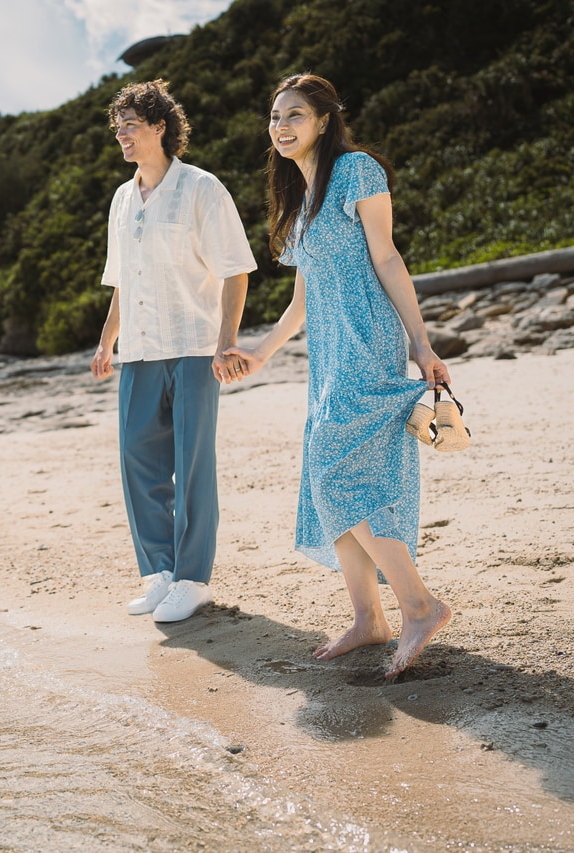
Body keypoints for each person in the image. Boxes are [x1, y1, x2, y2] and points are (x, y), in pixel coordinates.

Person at [221, 73, 452, 677]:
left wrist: (423, 344)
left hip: (368, 338)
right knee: (333, 475)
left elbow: (387, 256)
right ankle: (368, 620)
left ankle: (420, 607)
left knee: (334, 471)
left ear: (324, 120)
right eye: (275, 118)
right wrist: (260, 354)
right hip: (326, 354)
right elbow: (301, 302)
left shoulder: (357, 171)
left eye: (295, 115)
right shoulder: (300, 201)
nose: (282, 127)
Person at [92, 79, 257, 623]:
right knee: (138, 459)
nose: (122, 135)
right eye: (118, 127)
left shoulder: (202, 188)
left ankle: (192, 578)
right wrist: (106, 340)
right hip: (139, 351)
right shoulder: (121, 197)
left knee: (191, 464)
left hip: (193, 346)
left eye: (131, 126)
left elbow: (235, 268)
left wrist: (225, 340)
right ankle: (158, 572)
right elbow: (122, 280)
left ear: (160, 127)